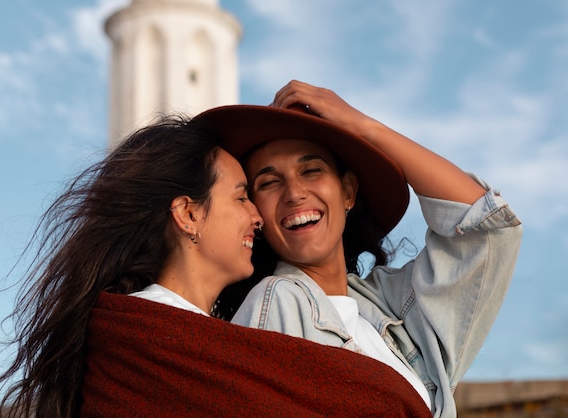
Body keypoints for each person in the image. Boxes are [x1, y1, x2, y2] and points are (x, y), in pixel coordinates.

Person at [0, 115, 432, 418]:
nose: (257, 215)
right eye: (241, 197)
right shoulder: (143, 344)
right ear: (188, 214)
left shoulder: (214, 340)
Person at [198, 80, 523, 417]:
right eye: (268, 182)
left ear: (348, 192)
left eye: (311, 170)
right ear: (255, 213)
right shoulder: (278, 300)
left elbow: (486, 230)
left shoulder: (392, 311)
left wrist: (364, 126)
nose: (294, 193)